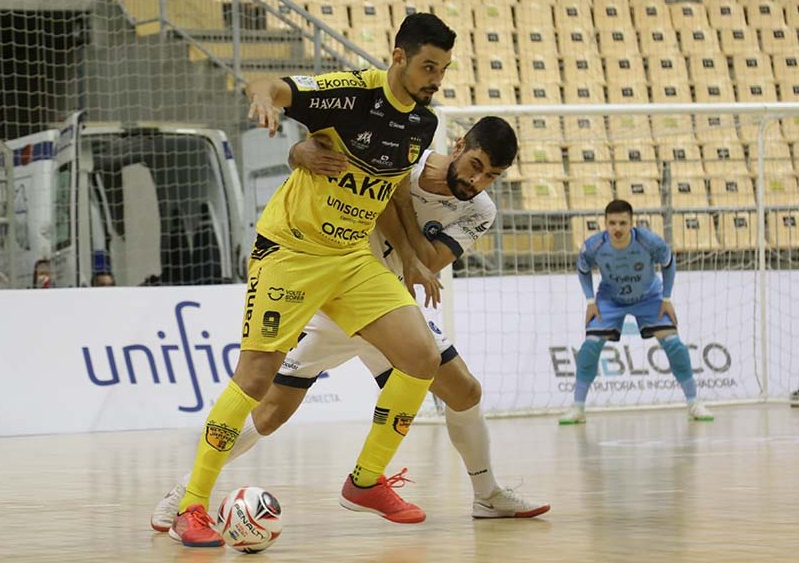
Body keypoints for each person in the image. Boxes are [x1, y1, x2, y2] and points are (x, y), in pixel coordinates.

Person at [150, 117, 549, 535]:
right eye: (476, 165)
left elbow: (427, 264)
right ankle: (186, 491)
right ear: (459, 144)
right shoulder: (402, 160)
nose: (478, 181)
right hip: (334, 297)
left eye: (492, 176)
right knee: (270, 412)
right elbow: (332, 179)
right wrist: (309, 156)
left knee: (465, 391)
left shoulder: (480, 210)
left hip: (387, 306)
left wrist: (396, 213)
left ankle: (485, 494)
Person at [169, 13, 456, 548]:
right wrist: (264, 103)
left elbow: (392, 194)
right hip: (292, 252)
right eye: (427, 66)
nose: (435, 79)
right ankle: (191, 507)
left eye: (441, 69)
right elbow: (270, 86)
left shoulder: (422, 123)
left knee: (422, 357)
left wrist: (416, 256)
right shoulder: (351, 94)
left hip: (351, 257)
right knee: (255, 378)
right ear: (398, 57)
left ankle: (366, 481)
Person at [558, 199, 715, 425]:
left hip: (649, 297)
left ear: (632, 223)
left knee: (674, 344)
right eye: (612, 223)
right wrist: (590, 301)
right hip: (610, 299)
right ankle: (578, 408)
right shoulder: (594, 246)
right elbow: (582, 268)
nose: (617, 229)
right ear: (605, 223)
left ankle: (694, 403)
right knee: (589, 347)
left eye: (623, 223)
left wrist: (667, 297)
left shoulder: (648, 241)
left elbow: (669, 262)